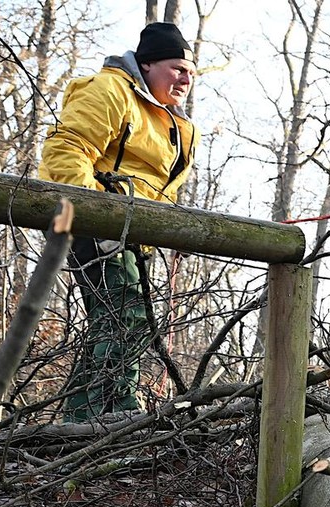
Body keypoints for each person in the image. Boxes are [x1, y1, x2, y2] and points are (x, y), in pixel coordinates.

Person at [39, 22, 199, 422]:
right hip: (96, 222)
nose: (186, 77)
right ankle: (109, 417)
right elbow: (65, 149)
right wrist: (97, 211)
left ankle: (89, 419)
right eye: (177, 67)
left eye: (191, 72)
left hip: (135, 235)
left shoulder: (176, 125)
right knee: (125, 315)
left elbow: (158, 190)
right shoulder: (111, 91)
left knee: (123, 320)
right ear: (147, 65)